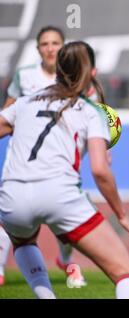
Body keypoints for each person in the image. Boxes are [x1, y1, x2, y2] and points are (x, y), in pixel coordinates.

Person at [0, 41, 129, 299]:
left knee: (22, 241)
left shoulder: (24, 102)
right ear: (92, 72)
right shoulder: (91, 112)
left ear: (58, 69)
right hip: (59, 193)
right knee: (125, 273)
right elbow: (100, 171)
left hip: (13, 196)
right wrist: (121, 215)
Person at [0, 26, 90, 288]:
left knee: (64, 216)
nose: (50, 48)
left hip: (59, 158)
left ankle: (67, 262)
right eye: (44, 44)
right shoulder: (25, 76)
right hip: (23, 158)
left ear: (64, 46)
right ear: (38, 48)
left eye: (55, 43)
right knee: (8, 214)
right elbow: (8, 113)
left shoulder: (72, 78)